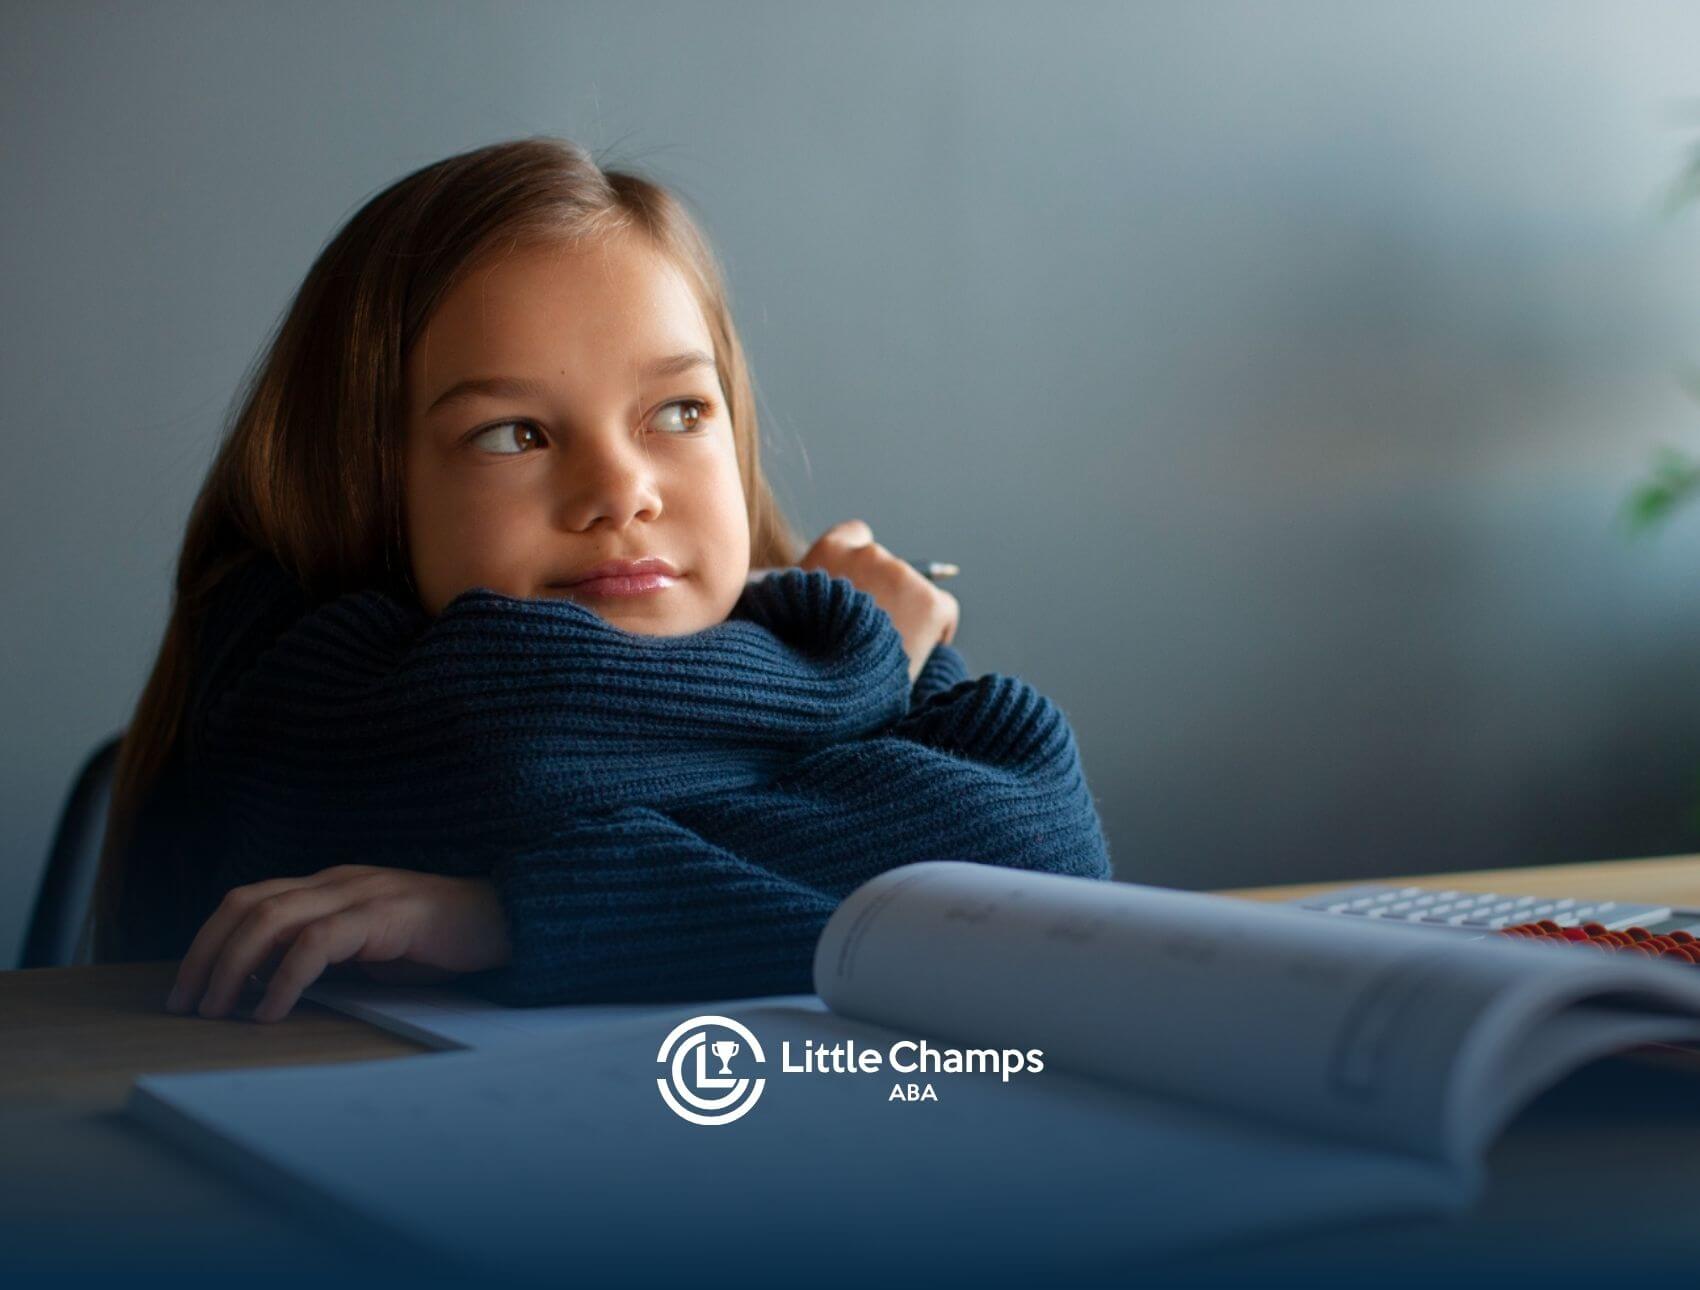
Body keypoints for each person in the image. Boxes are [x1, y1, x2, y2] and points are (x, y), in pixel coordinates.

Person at [85, 137, 1114, 1021]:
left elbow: (1036, 850)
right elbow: (519, 754)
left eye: (677, 413)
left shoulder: (786, 622)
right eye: (512, 433)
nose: (619, 493)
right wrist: (854, 676)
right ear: (365, 481)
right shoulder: (297, 680)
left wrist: (504, 912)